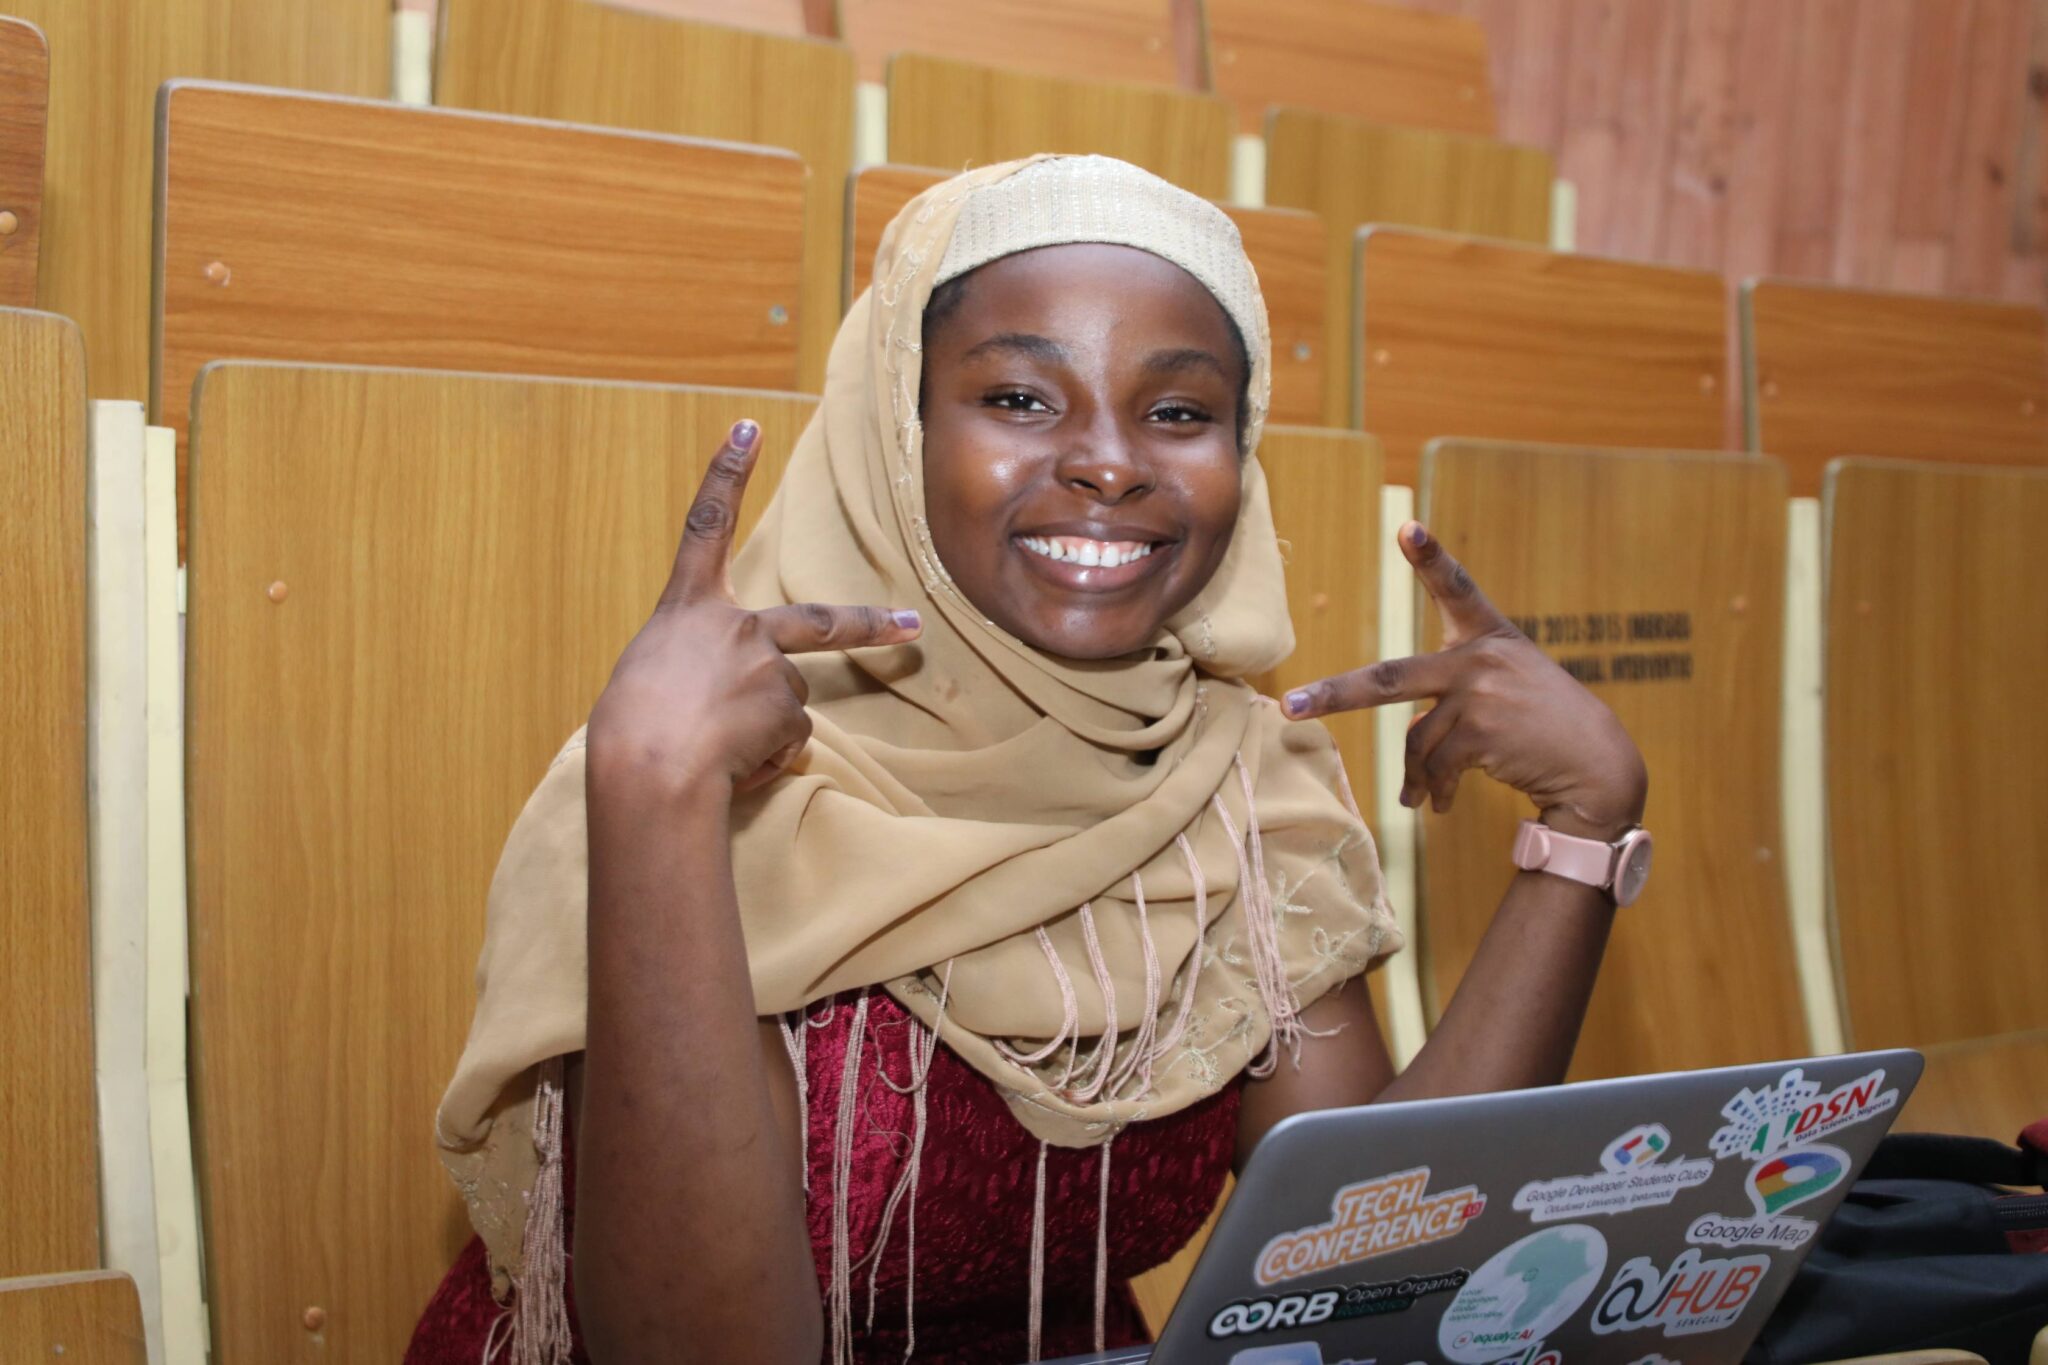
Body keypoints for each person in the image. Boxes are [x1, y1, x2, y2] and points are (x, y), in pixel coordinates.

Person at [407, 155, 1646, 1365]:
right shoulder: (692, 771)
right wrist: (653, 793)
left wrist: (1583, 834)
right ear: (896, 431)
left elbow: (1373, 1259)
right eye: (1017, 398)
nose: (1111, 461)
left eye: (1178, 412)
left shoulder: (1240, 783)